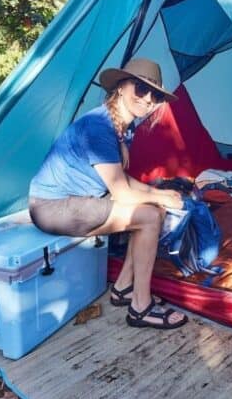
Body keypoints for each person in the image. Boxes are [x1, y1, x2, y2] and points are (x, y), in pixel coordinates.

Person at [29, 58, 187, 330]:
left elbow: (120, 177)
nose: (148, 99)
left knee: (154, 210)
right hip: (52, 207)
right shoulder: (98, 127)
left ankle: (124, 288)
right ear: (121, 87)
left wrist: (159, 193)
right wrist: (159, 197)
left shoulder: (123, 127)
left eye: (155, 94)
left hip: (81, 200)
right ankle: (140, 306)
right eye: (140, 88)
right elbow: (121, 192)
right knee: (149, 215)